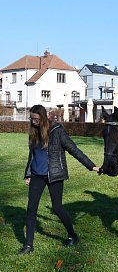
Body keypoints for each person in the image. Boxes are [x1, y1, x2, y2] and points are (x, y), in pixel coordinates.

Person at [18, 104, 100, 255]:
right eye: (31, 119)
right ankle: (28, 245)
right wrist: (28, 174)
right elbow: (32, 156)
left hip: (55, 175)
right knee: (31, 209)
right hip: (37, 175)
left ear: (42, 117)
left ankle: (72, 235)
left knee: (57, 208)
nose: (33, 121)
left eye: (35, 119)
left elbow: (74, 150)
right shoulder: (33, 133)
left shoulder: (57, 131)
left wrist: (91, 166)